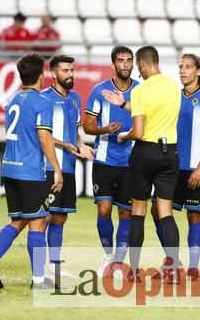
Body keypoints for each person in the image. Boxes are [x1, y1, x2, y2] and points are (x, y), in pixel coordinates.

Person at [0, 52, 63, 290]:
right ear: (42, 76)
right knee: (38, 222)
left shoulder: (13, 100)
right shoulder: (42, 102)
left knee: (18, 220)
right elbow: (44, 138)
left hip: (10, 169)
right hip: (30, 171)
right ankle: (38, 281)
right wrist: (56, 168)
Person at [102, 46, 182, 284]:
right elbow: (155, 115)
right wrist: (123, 104)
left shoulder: (141, 90)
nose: (138, 71)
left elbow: (138, 131)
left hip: (145, 153)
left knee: (138, 211)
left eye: (138, 66)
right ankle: (174, 268)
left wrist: (123, 136)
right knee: (165, 213)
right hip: (169, 153)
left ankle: (134, 271)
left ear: (143, 64)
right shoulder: (173, 87)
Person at [151, 54, 200, 281]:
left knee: (194, 217)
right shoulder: (173, 97)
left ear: (199, 71)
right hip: (170, 167)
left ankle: (192, 267)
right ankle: (173, 262)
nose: (182, 71)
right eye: (181, 67)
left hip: (195, 168)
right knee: (156, 211)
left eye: (188, 67)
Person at [83, 46, 139, 278]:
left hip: (131, 163)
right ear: (113, 64)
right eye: (121, 61)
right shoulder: (100, 90)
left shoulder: (140, 91)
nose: (125, 65)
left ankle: (118, 263)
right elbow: (87, 126)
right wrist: (104, 129)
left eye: (129, 60)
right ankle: (108, 255)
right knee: (104, 210)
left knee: (126, 214)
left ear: (133, 63)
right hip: (104, 160)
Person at [41, 54, 94, 280]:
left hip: (69, 167)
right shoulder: (43, 99)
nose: (70, 74)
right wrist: (66, 145)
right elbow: (42, 135)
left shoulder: (75, 98)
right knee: (43, 219)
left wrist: (82, 146)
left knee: (61, 217)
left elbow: (76, 132)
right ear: (53, 73)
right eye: (65, 70)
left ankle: (54, 266)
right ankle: (38, 269)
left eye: (71, 70)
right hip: (48, 167)